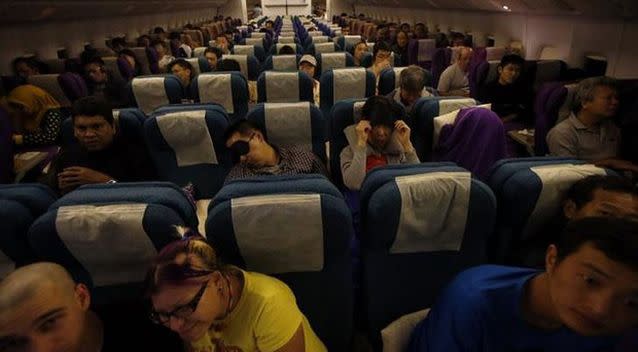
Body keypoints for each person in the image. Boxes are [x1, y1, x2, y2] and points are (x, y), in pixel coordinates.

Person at [409, 216, 638, 352]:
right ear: (552, 259)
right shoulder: (474, 302)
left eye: (631, 301)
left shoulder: (622, 331)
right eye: (591, 280)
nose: (601, 309)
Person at [145, 234, 328, 352]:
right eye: (163, 314)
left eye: (184, 308)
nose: (175, 326)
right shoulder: (190, 318)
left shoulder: (268, 303)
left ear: (216, 282)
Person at [0, 262, 182, 351]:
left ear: (81, 297)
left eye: (49, 323)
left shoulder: (157, 333)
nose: (39, 350)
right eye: (15, 342)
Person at [517, 175, 638, 267]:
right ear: (570, 209)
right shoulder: (538, 261)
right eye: (605, 214)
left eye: (630, 220)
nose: (620, 227)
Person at [44, 96, 156, 194]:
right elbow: (49, 193)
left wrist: (107, 182)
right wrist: (62, 191)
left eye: (97, 127)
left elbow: (148, 194)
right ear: (74, 130)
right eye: (82, 128)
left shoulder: (135, 153)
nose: (89, 134)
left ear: (112, 127)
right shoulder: (66, 155)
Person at [547, 77, 638, 176]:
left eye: (616, 98)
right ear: (585, 103)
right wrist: (608, 163)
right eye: (608, 98)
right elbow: (567, 173)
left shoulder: (612, 128)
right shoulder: (563, 133)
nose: (615, 102)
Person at [340, 96, 420, 191]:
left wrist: (407, 145)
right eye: (376, 126)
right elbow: (354, 184)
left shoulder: (398, 151)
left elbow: (418, 181)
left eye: (386, 126)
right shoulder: (349, 152)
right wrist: (361, 144)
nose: (381, 133)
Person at [223, 119, 327, 183]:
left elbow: (329, 194)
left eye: (241, 148)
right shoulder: (237, 178)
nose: (241, 158)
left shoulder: (305, 159)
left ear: (258, 137)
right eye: (236, 154)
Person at [479, 54, 531, 122]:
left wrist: (510, 117)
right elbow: (488, 110)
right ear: (500, 70)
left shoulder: (521, 89)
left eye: (517, 70)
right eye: (510, 69)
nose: (514, 73)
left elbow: (526, 111)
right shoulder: (489, 88)